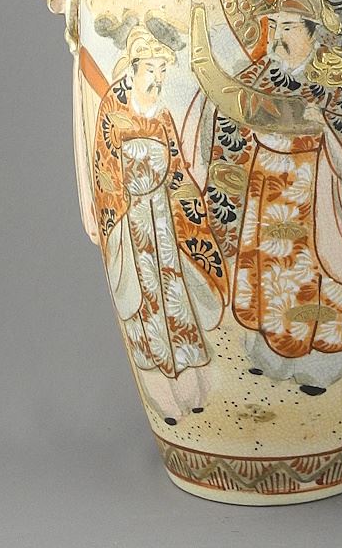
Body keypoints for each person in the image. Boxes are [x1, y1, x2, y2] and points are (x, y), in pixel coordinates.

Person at [185, 0, 342, 395]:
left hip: (321, 191)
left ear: (314, 33)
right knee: (271, 273)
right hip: (268, 190)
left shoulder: (339, 80)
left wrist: (327, 128)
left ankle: (321, 367)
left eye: (288, 27)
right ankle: (273, 358)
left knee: (320, 276)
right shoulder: (259, 75)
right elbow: (231, 114)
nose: (277, 37)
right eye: (275, 26)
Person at [92, 21, 229, 424]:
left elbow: (177, 168)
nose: (157, 78)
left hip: (164, 221)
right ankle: (164, 397)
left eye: (162, 70)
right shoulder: (112, 113)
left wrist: (192, 208)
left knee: (173, 296)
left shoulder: (163, 113)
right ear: (132, 69)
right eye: (150, 69)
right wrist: (123, 208)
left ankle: (192, 388)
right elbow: (105, 171)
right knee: (145, 303)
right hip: (132, 222)